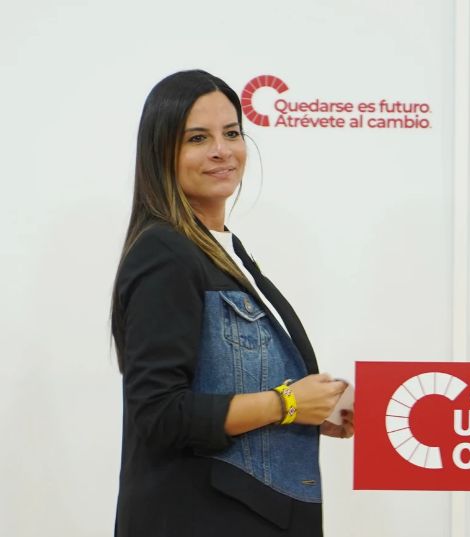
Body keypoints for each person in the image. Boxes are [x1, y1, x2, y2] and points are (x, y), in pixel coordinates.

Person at [110, 70, 353, 537]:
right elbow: (159, 413)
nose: (222, 150)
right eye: (197, 138)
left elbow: (221, 384)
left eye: (232, 133)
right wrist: (285, 403)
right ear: (161, 153)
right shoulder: (165, 253)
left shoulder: (224, 249)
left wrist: (313, 410)